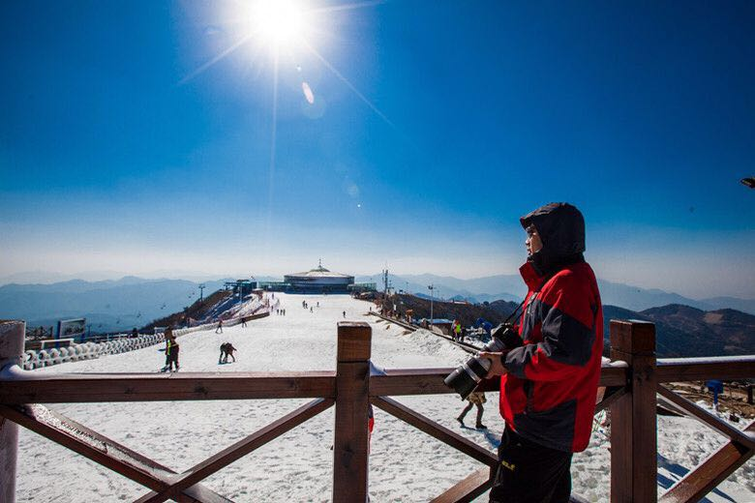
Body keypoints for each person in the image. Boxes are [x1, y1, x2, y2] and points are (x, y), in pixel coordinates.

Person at [479, 203, 603, 503]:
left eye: (532, 232)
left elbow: (562, 354)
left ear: (554, 236)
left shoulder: (568, 282)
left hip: (543, 426)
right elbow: (541, 340)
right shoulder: (552, 281)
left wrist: (506, 363)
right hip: (540, 423)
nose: (526, 240)